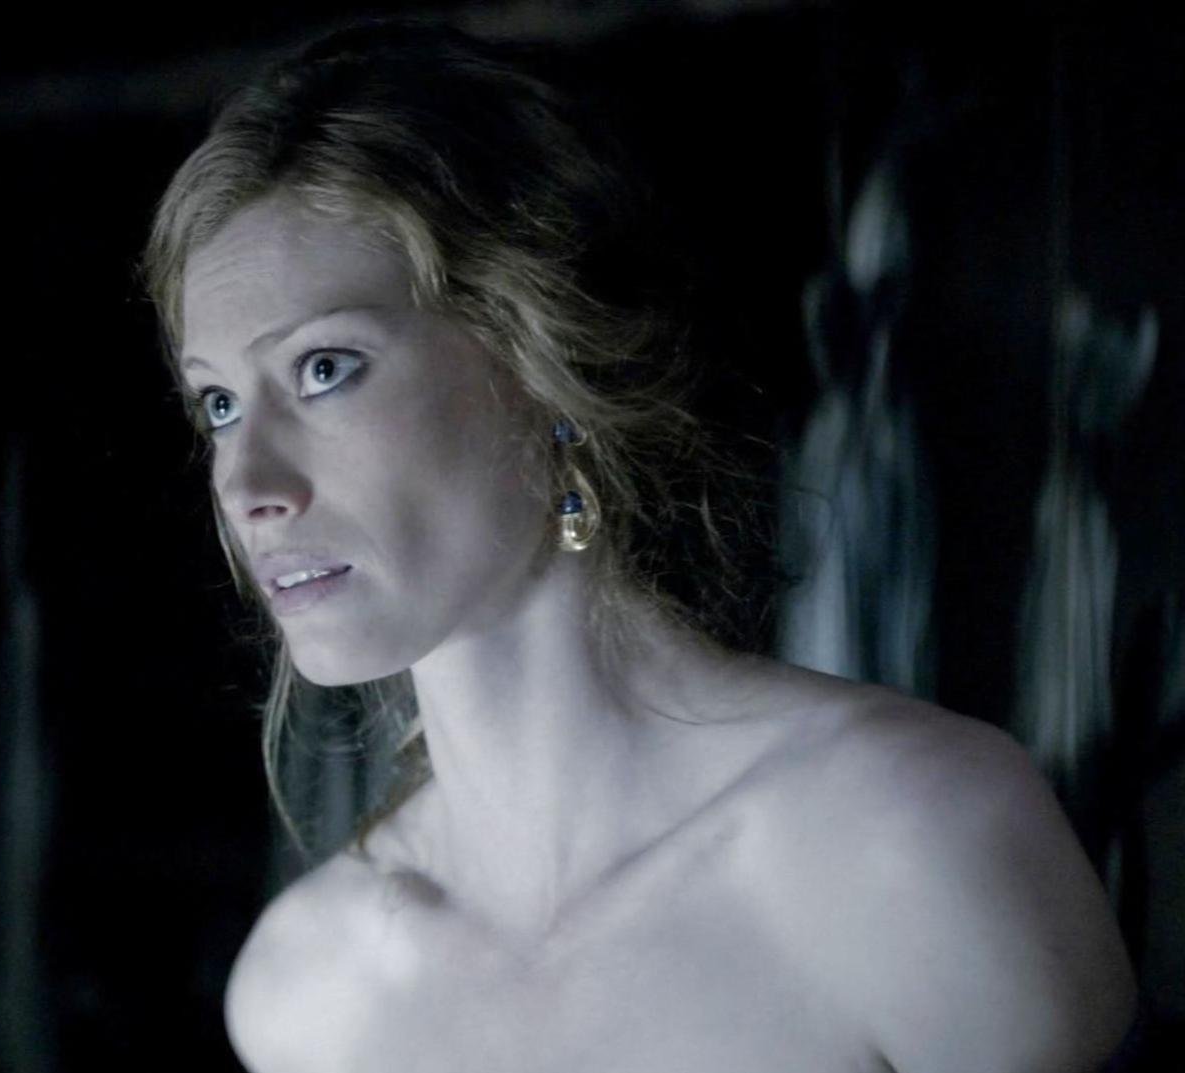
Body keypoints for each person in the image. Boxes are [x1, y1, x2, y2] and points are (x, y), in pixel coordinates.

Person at [142, 21, 1137, 1073]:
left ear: (547, 358)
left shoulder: (909, 845)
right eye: (219, 404)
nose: (247, 484)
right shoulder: (306, 992)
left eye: (324, 369)